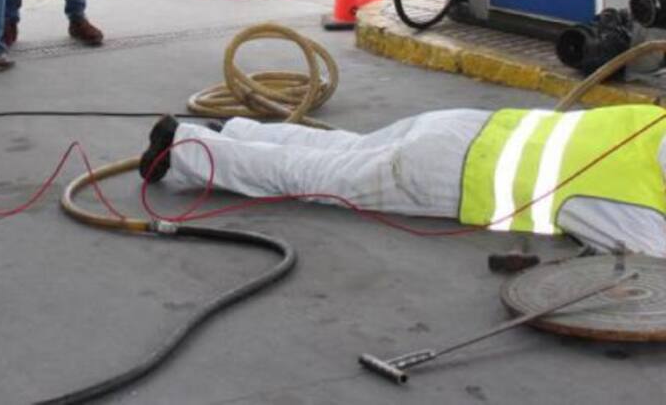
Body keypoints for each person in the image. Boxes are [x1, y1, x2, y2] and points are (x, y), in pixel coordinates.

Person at [139, 104, 666, 257]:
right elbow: (643, 253)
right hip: (448, 176)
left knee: (342, 147)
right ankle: (187, 151)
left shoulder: (649, 122)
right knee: (317, 177)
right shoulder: (643, 209)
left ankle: (232, 130)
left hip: (463, 123)